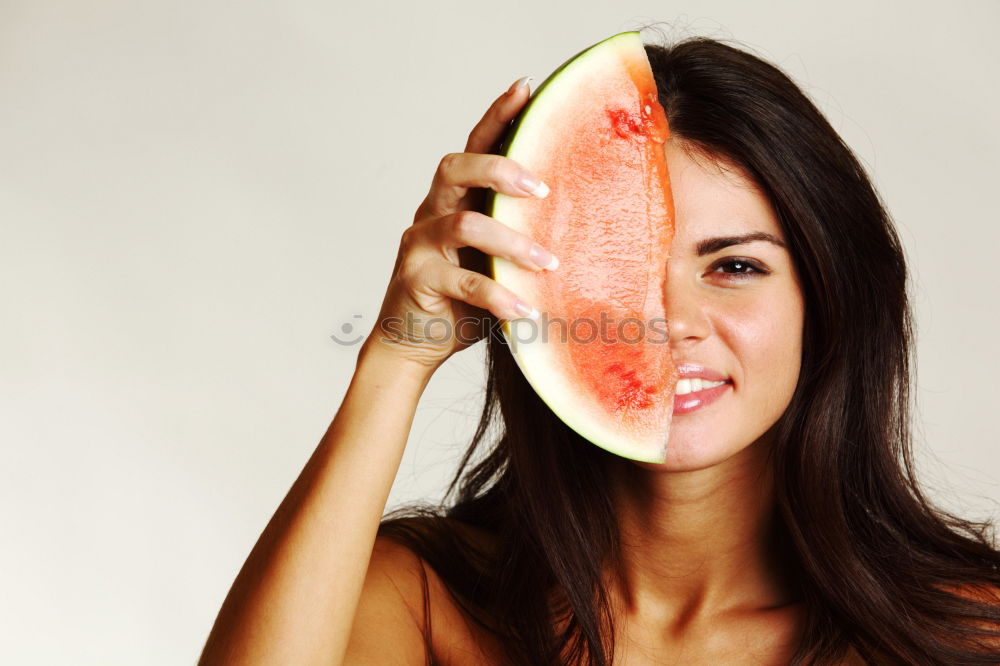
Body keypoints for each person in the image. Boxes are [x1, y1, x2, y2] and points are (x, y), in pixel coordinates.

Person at [199, 36, 1000, 665]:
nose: (669, 321)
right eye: (613, 269)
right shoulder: (424, 602)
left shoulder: (969, 631)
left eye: (734, 266)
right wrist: (397, 357)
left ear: (824, 298)